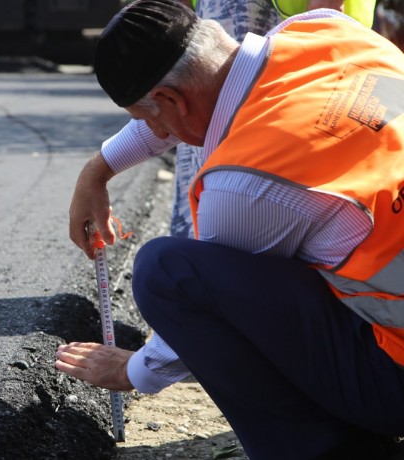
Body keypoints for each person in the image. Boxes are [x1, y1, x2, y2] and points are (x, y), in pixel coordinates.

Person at [55, 1, 404, 458]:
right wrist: (97, 170)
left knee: (168, 271)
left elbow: (203, 313)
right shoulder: (326, 34)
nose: (154, 131)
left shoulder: (249, 183)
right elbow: (194, 103)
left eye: (146, 118)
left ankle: (323, 448)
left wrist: (133, 373)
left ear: (169, 101)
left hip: (393, 380)